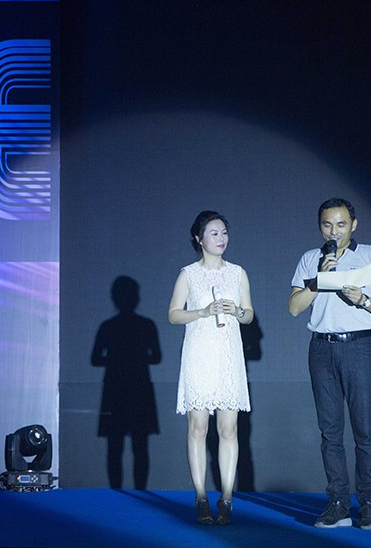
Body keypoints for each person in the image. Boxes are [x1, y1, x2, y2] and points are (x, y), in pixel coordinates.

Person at [288, 197, 371, 531]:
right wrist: (319, 278)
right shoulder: (311, 259)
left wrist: (362, 299)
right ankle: (337, 504)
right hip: (322, 348)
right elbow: (294, 307)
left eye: (341, 224)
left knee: (365, 432)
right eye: (327, 225)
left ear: (353, 224)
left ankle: (369, 506)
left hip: (358, 346)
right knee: (330, 432)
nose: (334, 231)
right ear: (319, 226)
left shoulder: (370, 255)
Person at [168, 210, 253, 525]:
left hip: (228, 356)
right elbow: (174, 314)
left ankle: (227, 498)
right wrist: (202, 312)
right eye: (214, 233)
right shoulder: (188, 274)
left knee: (228, 429)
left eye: (224, 232)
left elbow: (249, 315)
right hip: (199, 354)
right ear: (199, 238)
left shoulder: (238, 273)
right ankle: (201, 496)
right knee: (198, 427)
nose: (221, 238)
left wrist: (238, 311)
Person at [91, 276, 162, 490]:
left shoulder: (109, 326)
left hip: (117, 389)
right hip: (137, 389)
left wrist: (118, 359)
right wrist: (135, 358)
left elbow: (95, 359)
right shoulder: (145, 325)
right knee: (138, 446)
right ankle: (139, 490)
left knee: (117, 447)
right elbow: (156, 357)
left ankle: (118, 491)